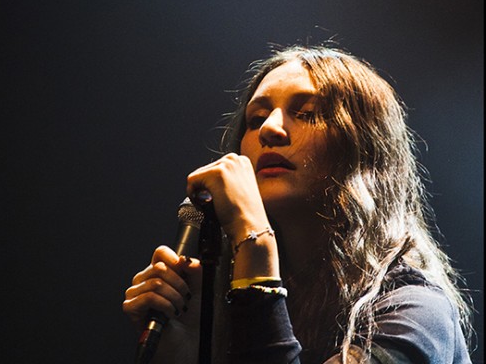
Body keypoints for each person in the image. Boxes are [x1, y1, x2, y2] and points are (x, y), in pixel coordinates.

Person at [123, 44, 475, 363]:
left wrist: (255, 241)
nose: (269, 130)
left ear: (361, 151)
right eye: (256, 119)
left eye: (306, 113)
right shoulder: (235, 309)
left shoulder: (416, 312)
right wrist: (190, 351)